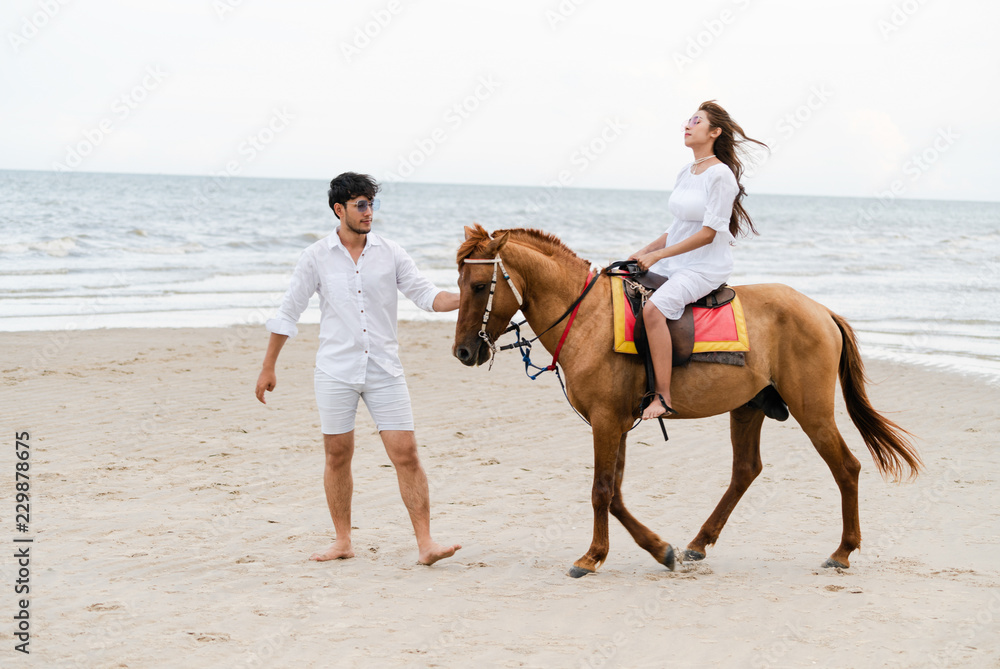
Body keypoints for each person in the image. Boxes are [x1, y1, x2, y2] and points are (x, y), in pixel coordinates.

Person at [255, 172, 461, 566]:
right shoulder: (315, 256)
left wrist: (468, 297)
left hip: (385, 369)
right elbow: (289, 311)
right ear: (339, 209)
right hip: (335, 370)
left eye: (372, 204)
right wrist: (269, 366)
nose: (369, 212)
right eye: (361, 205)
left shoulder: (390, 251)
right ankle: (343, 541)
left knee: (406, 453)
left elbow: (426, 294)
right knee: (337, 454)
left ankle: (426, 544)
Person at [630, 101, 767, 420]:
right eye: (687, 121)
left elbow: (707, 233)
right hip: (674, 262)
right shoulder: (686, 171)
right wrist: (642, 251)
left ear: (715, 132)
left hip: (704, 266)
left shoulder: (721, 175)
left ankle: (663, 396)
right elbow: (677, 226)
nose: (687, 126)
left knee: (653, 311)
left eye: (696, 121)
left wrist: (658, 255)